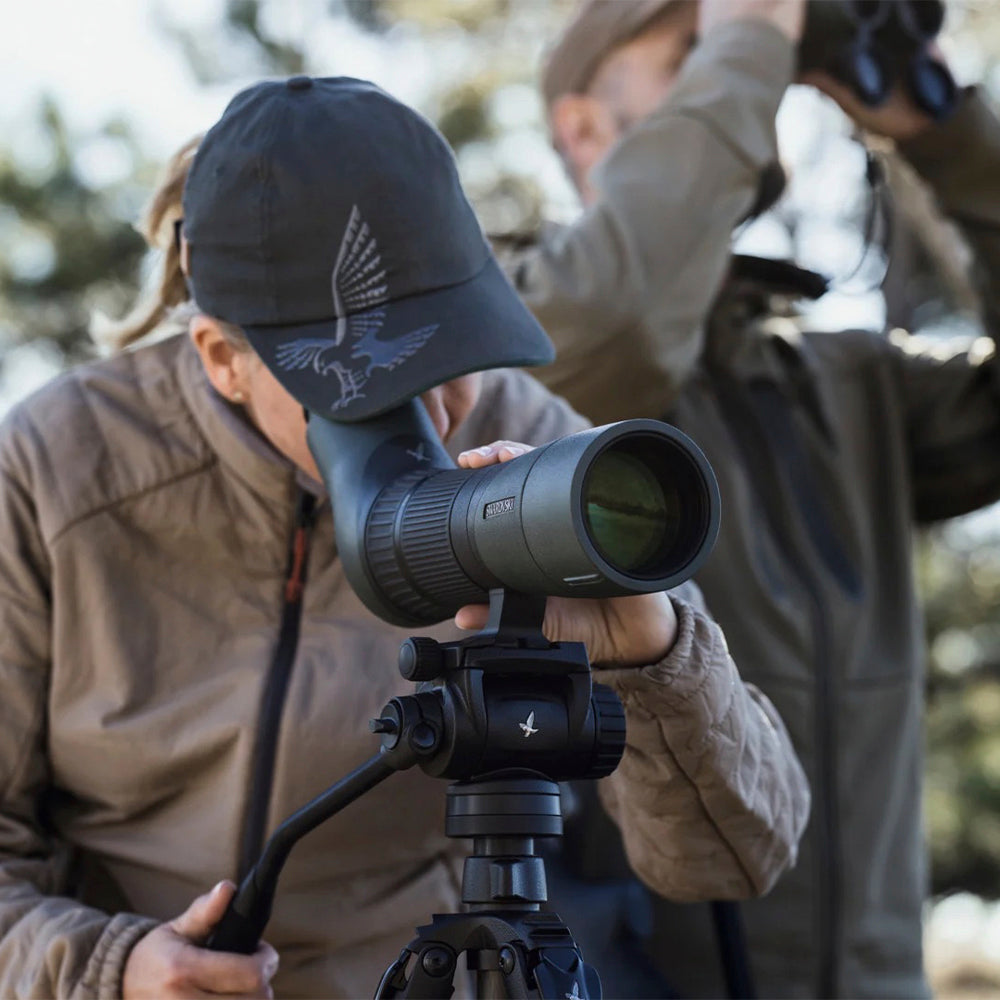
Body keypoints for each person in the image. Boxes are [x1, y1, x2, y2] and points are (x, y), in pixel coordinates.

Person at [0, 76, 809, 999]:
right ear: (223, 359)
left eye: (450, 353)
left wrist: (652, 659)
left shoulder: (525, 441)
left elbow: (734, 862)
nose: (429, 410)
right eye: (366, 381)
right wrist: (109, 971)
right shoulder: (60, 467)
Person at [497, 0, 1000, 996]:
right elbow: (621, 324)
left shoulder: (840, 378)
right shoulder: (518, 326)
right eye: (699, 48)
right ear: (582, 128)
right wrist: (757, 33)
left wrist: (950, 139)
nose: (747, 70)